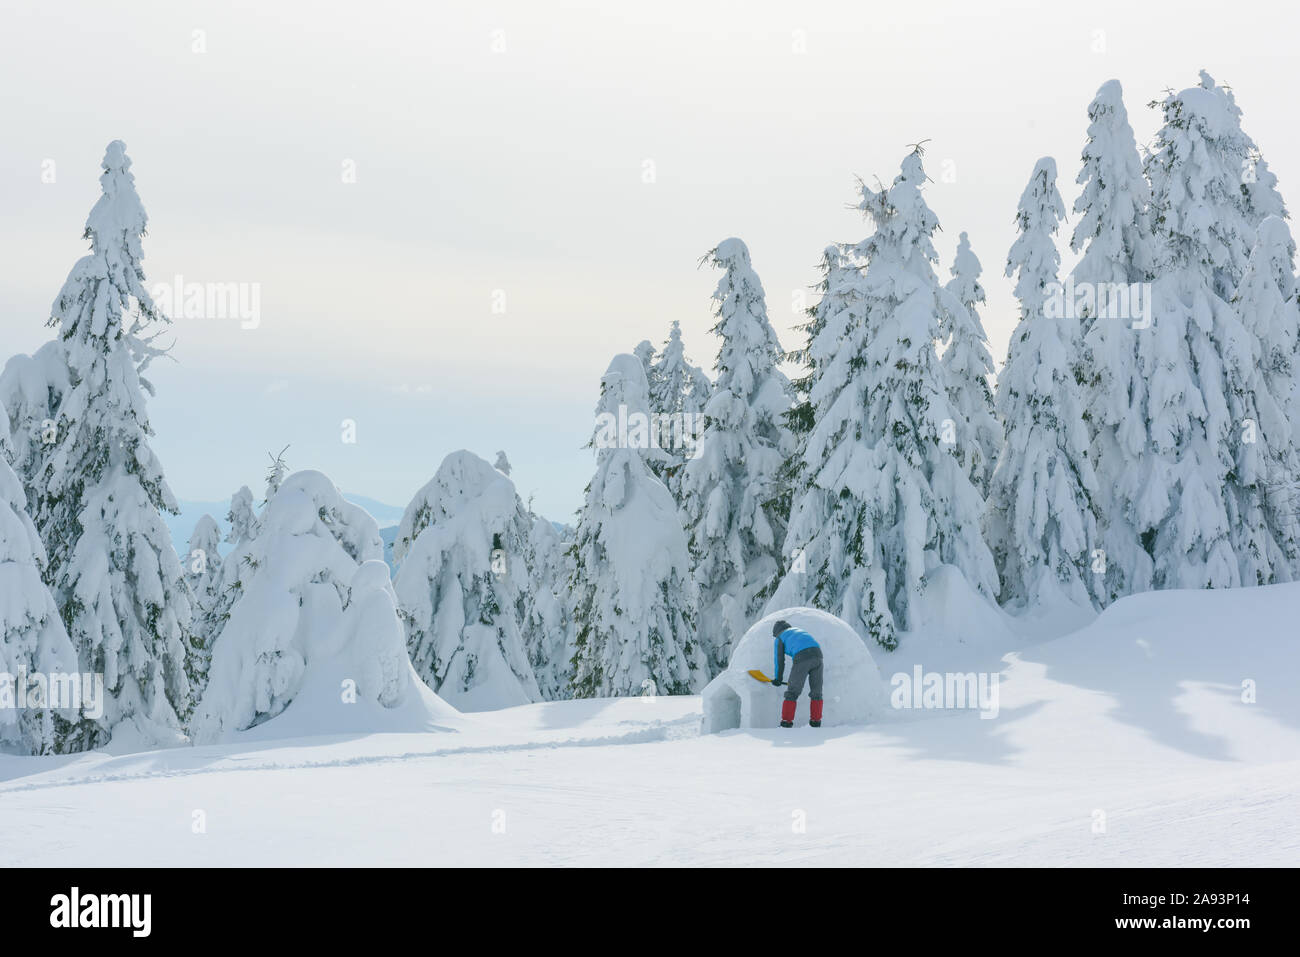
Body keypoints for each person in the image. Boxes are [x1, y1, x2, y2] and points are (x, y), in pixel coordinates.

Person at [770, 620, 823, 728]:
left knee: (792, 692)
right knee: (816, 692)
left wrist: (778, 678)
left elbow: (779, 660)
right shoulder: (797, 631)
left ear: (776, 632)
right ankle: (816, 722)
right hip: (818, 655)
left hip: (802, 656)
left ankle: (786, 722)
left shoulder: (780, 637)